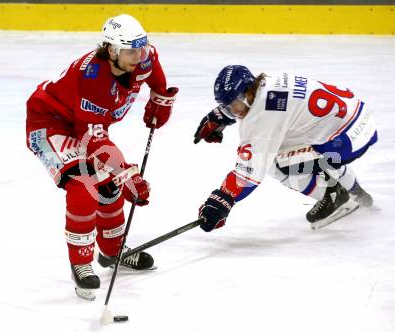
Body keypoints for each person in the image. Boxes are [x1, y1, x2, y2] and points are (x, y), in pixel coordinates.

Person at [26, 14, 178, 300]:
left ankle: (113, 251)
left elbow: (155, 76)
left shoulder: (143, 56)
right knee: (84, 185)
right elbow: (94, 140)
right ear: (111, 51)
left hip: (84, 125)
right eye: (130, 51)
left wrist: (161, 100)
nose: (138, 56)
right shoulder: (92, 79)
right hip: (49, 124)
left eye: (141, 48)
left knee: (109, 188)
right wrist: (128, 172)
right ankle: (81, 264)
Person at [194, 65, 376, 233]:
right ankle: (357, 193)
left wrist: (222, 200)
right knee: (286, 141)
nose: (233, 111)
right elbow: (278, 109)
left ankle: (335, 197)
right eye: (227, 108)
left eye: (234, 104)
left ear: (246, 93)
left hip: (342, 144)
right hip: (357, 122)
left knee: (276, 163)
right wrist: (222, 115)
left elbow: (249, 172)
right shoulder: (269, 80)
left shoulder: (262, 119)